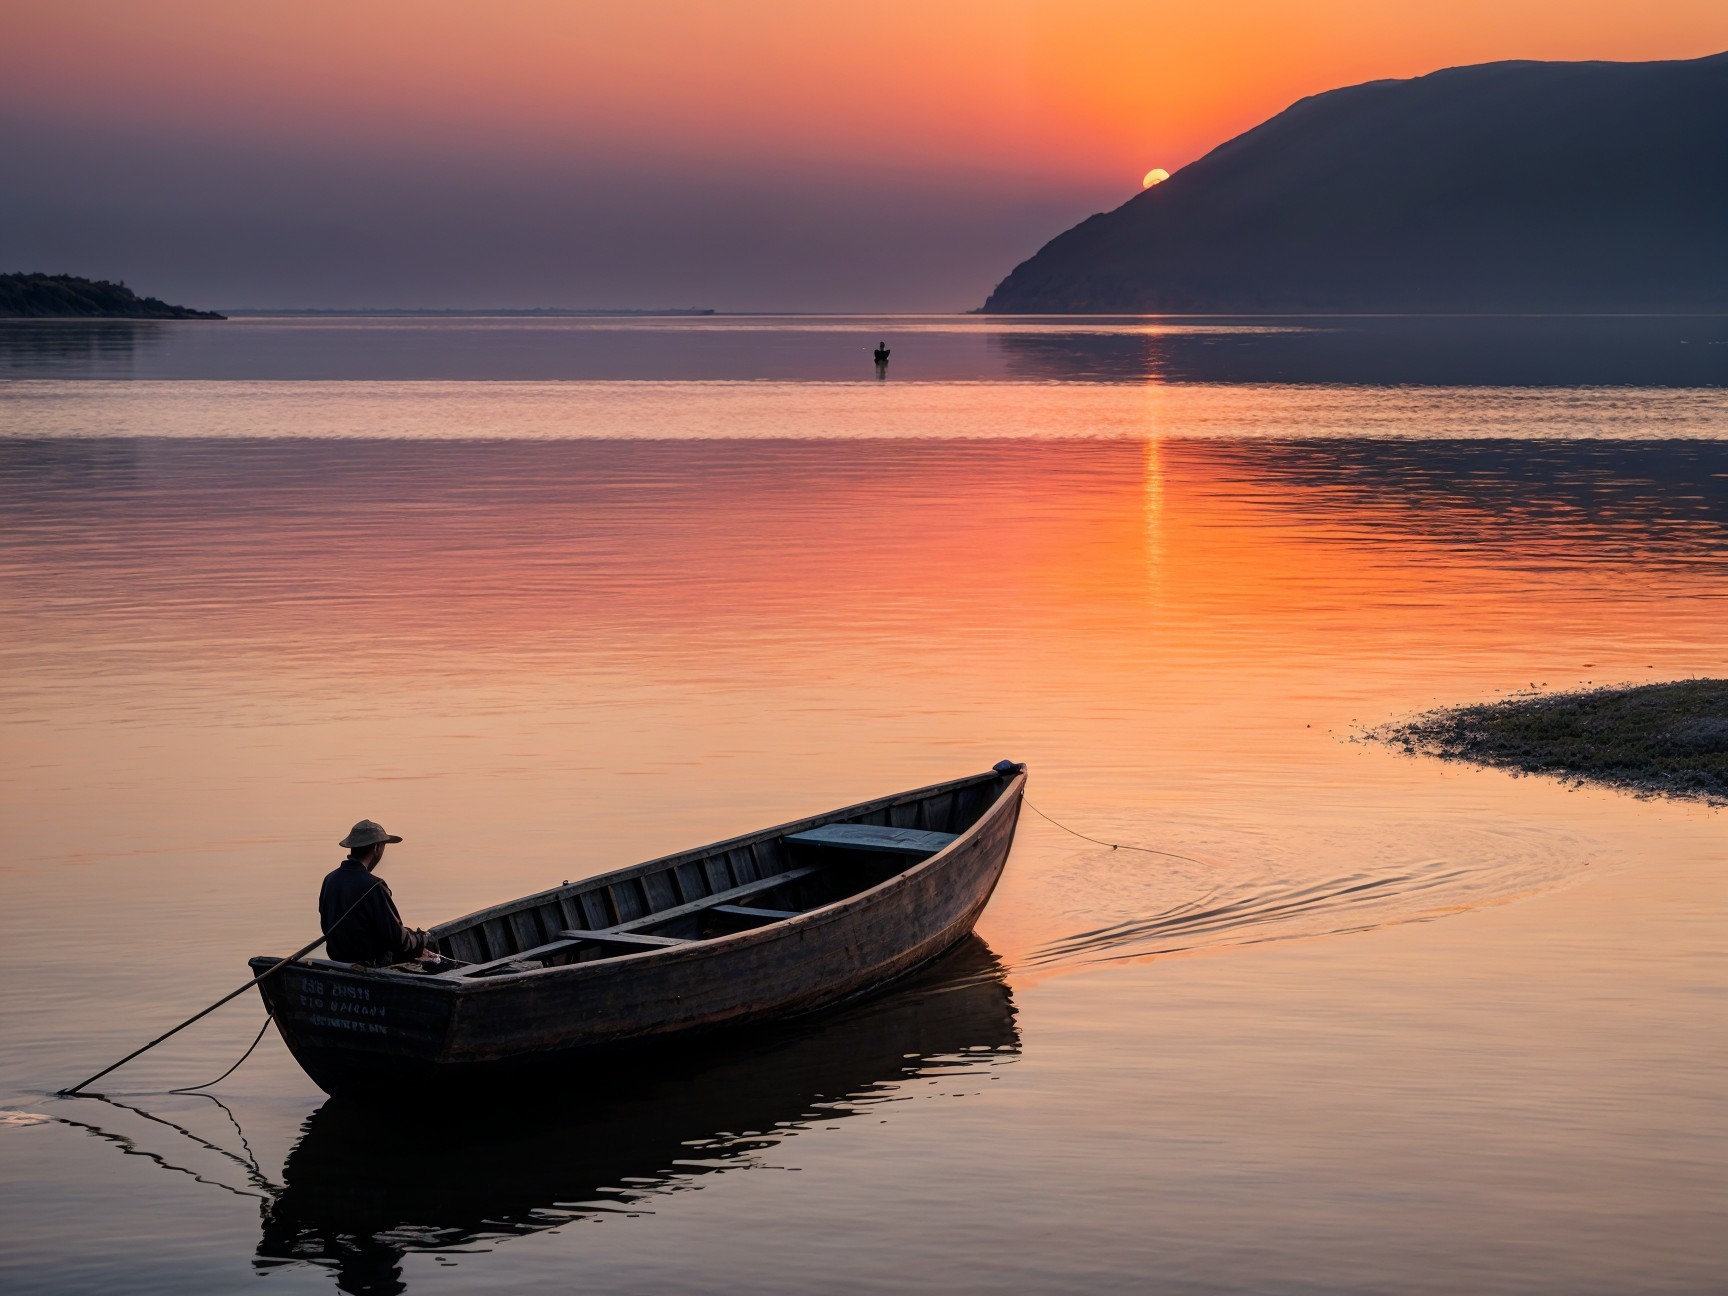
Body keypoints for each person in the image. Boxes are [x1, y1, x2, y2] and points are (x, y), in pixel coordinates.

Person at [319, 819, 435, 968]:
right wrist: (421, 939)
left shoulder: (330, 880)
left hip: (339, 962)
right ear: (376, 848)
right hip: (370, 965)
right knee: (427, 950)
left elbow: (326, 926)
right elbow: (397, 940)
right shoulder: (374, 886)